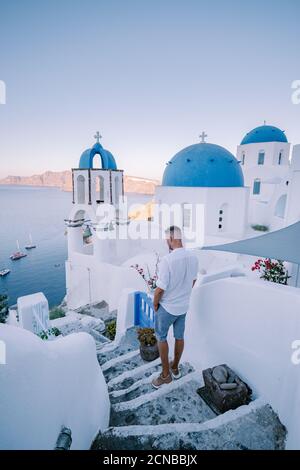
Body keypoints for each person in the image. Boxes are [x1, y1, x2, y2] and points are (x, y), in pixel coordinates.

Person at [152, 226, 199, 389]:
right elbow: (193, 281)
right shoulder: (193, 257)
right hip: (183, 306)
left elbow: (160, 289)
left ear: (172, 239)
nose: (167, 242)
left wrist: (155, 303)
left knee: (161, 337)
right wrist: (183, 295)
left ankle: (165, 376)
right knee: (179, 336)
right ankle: (175, 368)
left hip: (168, 308)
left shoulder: (168, 260)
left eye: (167, 239)